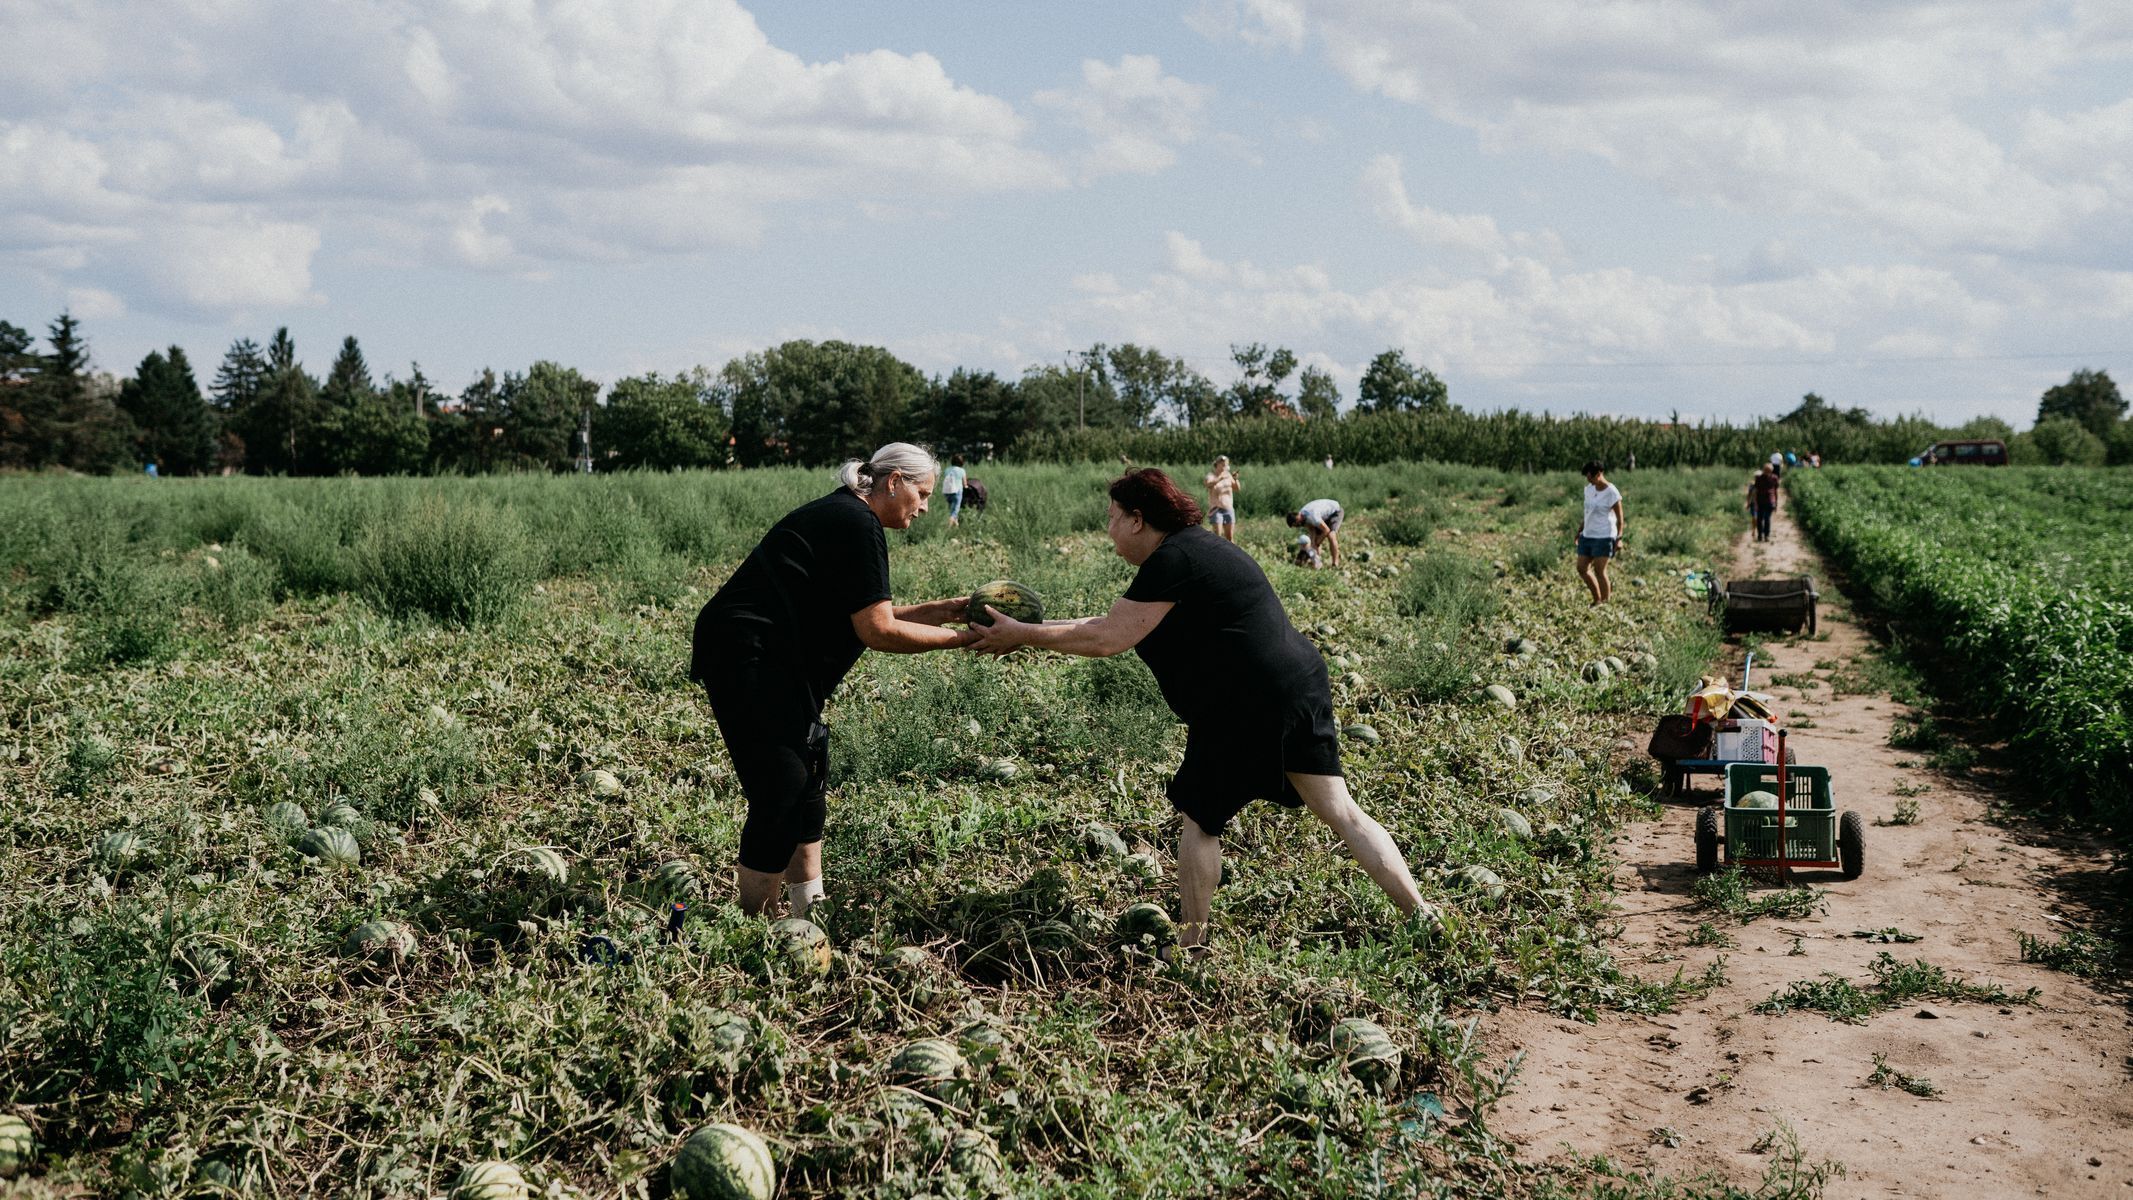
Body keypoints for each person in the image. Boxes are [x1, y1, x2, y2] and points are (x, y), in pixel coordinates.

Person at [967, 469, 1425, 953]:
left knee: (1200, 819)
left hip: (1245, 700)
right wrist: (1022, 631)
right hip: (1297, 683)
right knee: (1342, 812)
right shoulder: (1196, 548)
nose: (1109, 530)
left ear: (1138, 520)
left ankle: (1191, 946)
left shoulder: (1174, 559)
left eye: (1113, 518)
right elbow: (1102, 623)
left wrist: (1024, 636)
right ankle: (1423, 914)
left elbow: (1108, 638)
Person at [689, 443, 975, 918]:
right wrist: (963, 640)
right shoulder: (857, 523)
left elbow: (864, 614)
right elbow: (877, 630)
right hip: (749, 655)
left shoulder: (848, 515)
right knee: (781, 789)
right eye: (921, 493)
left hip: (777, 659)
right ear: (894, 481)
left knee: (807, 784)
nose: (925, 506)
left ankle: (809, 909)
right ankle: (753, 921)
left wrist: (939, 612)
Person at [1574, 460, 1623, 606]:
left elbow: (1620, 519)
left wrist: (1619, 538)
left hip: (1604, 536)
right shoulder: (1589, 489)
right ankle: (1597, 599)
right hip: (1588, 535)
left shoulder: (1611, 492)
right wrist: (1580, 530)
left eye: (1590, 477)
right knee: (1581, 568)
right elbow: (1587, 513)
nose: (1589, 480)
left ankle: (1604, 604)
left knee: (1600, 571)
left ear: (1599, 474)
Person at [1286, 498, 1343, 569]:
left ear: (1297, 519)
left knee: (1331, 535)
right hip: (1323, 516)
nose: (1298, 526)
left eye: (1296, 525)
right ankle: (1317, 563)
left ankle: (1335, 564)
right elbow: (1312, 530)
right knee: (1315, 541)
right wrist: (1313, 542)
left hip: (1335, 512)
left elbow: (1326, 530)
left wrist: (1318, 542)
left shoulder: (1313, 517)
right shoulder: (1303, 517)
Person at [1203, 455, 1242, 542]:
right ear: (1216, 464)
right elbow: (1207, 484)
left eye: (1226, 464)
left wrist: (1235, 479)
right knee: (1218, 538)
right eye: (1222, 463)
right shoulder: (1211, 475)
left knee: (1230, 538)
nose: (1224, 465)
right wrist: (1220, 478)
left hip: (1228, 508)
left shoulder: (1228, 475)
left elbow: (1237, 489)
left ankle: (1231, 555)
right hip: (1216, 509)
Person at [1747, 464, 1780, 542]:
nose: (1767, 472)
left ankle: (1764, 535)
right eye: (1766, 471)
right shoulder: (1761, 478)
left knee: (1764, 518)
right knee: (1762, 519)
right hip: (1763, 501)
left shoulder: (1773, 478)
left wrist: (1776, 503)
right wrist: (1755, 503)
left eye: (1768, 471)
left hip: (1768, 501)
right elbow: (1756, 491)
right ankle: (1762, 535)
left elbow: (1775, 491)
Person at [941, 454, 968, 527]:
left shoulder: (947, 469)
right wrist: (966, 486)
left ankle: (956, 527)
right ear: (962, 462)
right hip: (957, 491)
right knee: (955, 510)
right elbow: (965, 484)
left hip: (947, 491)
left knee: (951, 509)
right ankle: (948, 528)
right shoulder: (962, 470)